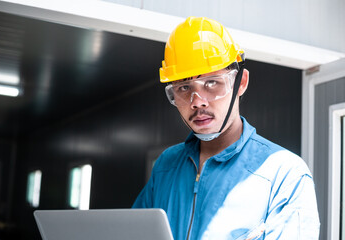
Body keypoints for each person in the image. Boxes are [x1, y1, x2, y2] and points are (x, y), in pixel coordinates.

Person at [133, 16, 320, 240]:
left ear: (240, 83)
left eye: (212, 83)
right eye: (183, 87)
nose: (197, 101)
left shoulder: (285, 174)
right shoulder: (166, 165)